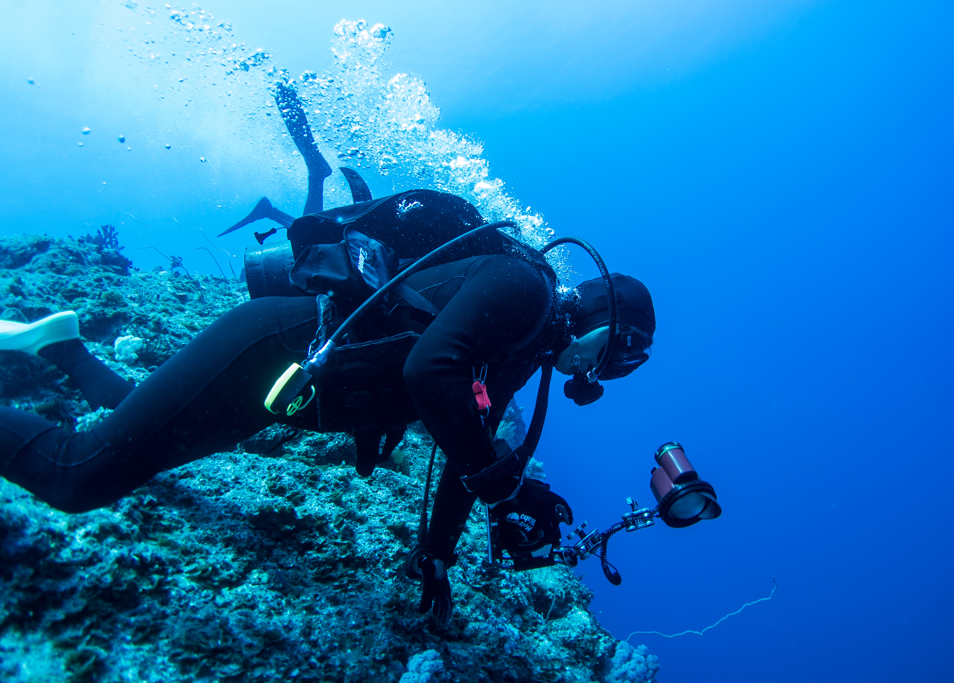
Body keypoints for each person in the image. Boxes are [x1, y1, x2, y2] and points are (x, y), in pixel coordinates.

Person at [0, 83, 656, 627]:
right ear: (604, 319)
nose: (604, 374)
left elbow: (467, 452)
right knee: (78, 475)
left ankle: (63, 345)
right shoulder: (523, 288)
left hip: (285, 392)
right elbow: (428, 371)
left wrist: (437, 555)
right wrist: (505, 485)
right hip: (267, 348)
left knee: (140, 426)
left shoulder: (520, 347)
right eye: (620, 355)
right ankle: (59, 360)